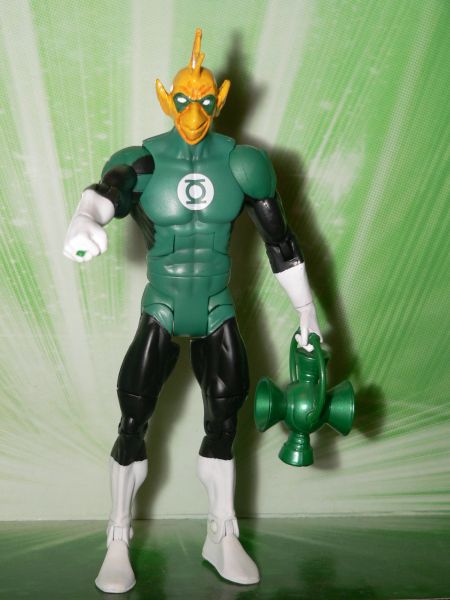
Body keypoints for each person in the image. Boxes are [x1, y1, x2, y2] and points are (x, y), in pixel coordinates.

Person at [64, 28, 322, 593]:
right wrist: (84, 218)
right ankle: (117, 537)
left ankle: (221, 532)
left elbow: (280, 242)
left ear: (220, 99)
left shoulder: (243, 164)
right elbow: (108, 190)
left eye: (205, 100)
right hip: (161, 305)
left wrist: (306, 311)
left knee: (225, 422)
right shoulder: (144, 160)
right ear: (166, 97)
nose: (194, 111)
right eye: (183, 99)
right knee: (133, 421)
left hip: (215, 306)